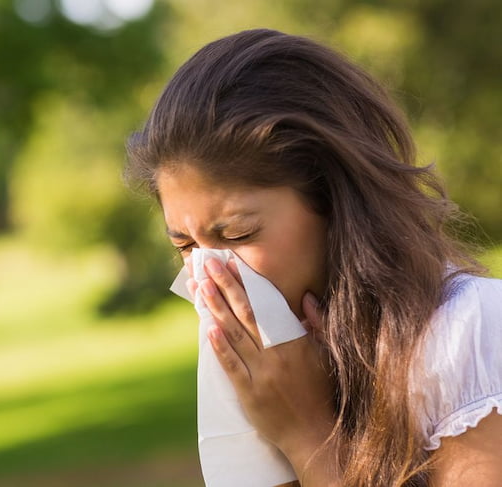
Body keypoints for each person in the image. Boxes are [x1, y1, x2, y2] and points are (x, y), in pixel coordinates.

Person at [125, 29, 502, 486]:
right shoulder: (284, 371)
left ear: (333, 201)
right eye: (185, 246)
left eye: (238, 233)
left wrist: (306, 435)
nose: (208, 276)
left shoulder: (468, 335)